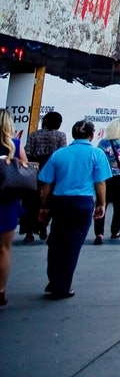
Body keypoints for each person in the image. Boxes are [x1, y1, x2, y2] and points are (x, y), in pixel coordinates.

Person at [36, 121, 110, 300]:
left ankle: (54, 280)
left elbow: (46, 182)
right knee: (72, 244)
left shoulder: (59, 154)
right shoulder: (96, 153)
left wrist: (44, 205)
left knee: (56, 242)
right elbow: (100, 182)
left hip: (60, 201)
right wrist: (101, 203)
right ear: (92, 135)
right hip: (82, 202)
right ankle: (62, 285)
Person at [21, 111, 67, 243]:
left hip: (35, 171)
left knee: (30, 202)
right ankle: (43, 228)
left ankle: (29, 232)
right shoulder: (60, 136)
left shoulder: (34, 135)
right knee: (49, 202)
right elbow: (62, 154)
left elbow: (27, 153)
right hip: (53, 171)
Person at [0, 110, 29, 307]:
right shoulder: (14, 145)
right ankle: (0, 290)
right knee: (3, 249)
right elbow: (25, 170)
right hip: (7, 202)